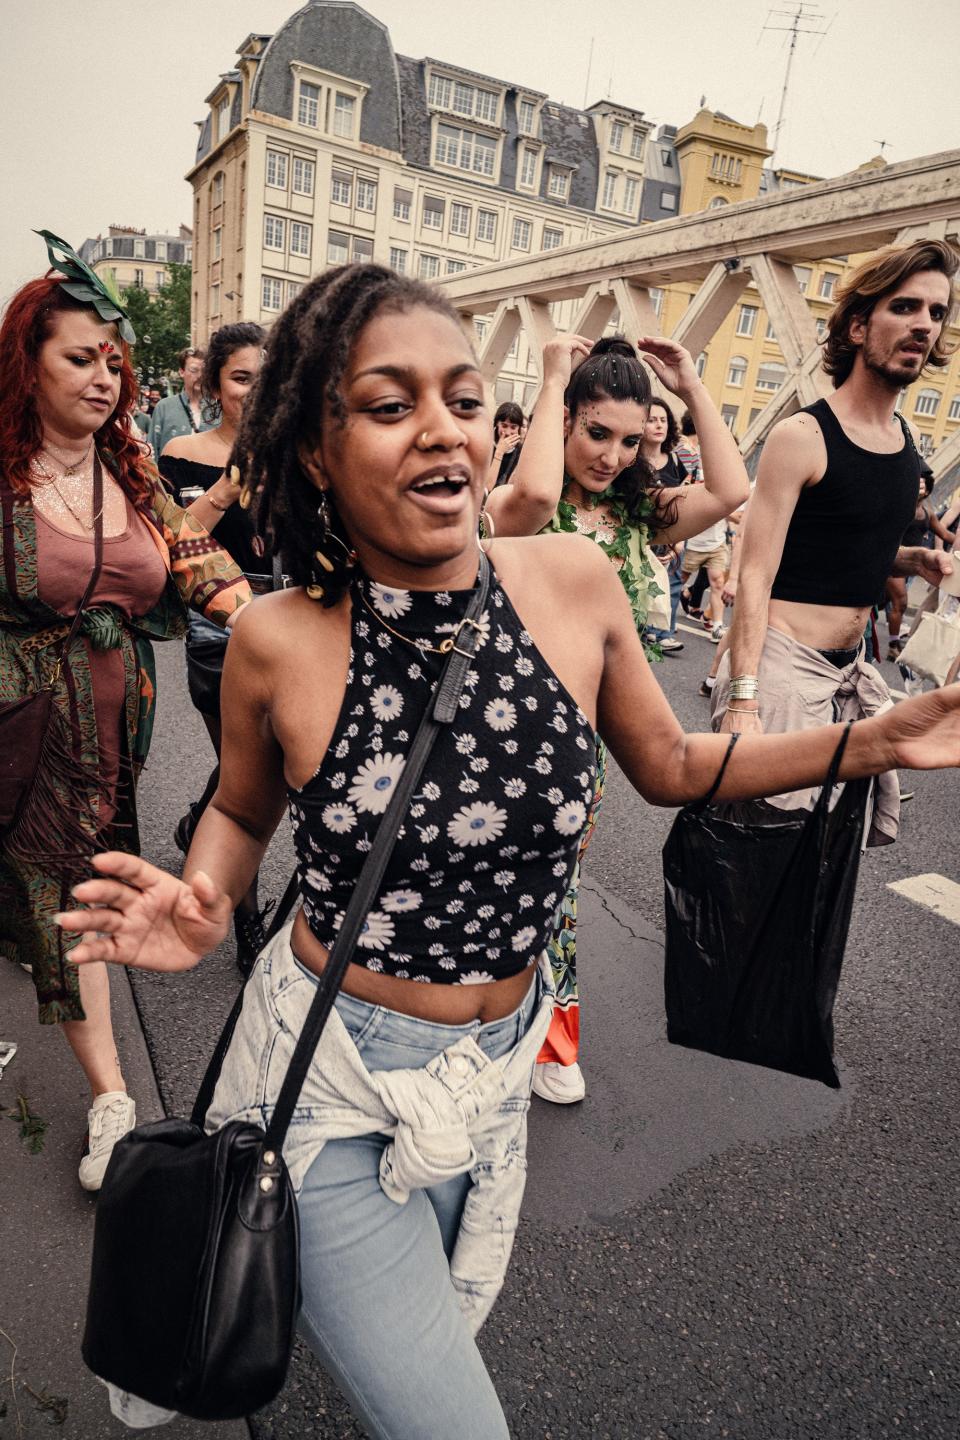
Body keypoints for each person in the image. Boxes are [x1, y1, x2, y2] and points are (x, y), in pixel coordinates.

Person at [57, 263, 960, 1438]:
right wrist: (208, 897)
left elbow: (673, 768)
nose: (443, 429)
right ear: (317, 450)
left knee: (429, 1343)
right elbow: (239, 809)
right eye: (389, 405)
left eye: (465, 398)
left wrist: (876, 737)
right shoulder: (278, 639)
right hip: (333, 1075)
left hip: (491, 1083)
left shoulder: (574, 580)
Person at [0, 236, 252, 1191]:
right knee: (53, 895)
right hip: (12, 730)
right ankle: (113, 1097)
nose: (105, 378)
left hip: (105, 738)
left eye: (115, 361)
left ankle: (109, 1096)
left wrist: (269, 622)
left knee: (67, 895)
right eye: (80, 358)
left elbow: (187, 559)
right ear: (27, 361)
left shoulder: (129, 463)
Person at [483, 332, 751, 1103]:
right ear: (563, 420)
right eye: (596, 432)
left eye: (631, 441)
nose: (612, 455)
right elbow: (535, 494)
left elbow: (731, 491)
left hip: (580, 756)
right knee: (485, 879)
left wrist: (695, 387)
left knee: (553, 888)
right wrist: (552, 375)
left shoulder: (640, 521)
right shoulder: (513, 510)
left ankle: (547, 1036)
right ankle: (472, 1023)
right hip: (492, 737)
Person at [716, 237, 957, 845]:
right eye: (905, 308)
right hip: (780, 673)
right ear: (857, 325)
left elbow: (833, 541)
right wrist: (745, 699)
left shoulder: (904, 442)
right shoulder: (802, 435)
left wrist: (908, 557)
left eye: (936, 312)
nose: (924, 325)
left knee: (819, 868)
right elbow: (756, 573)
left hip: (850, 675)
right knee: (754, 858)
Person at [157, 322, 273, 973]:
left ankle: (199, 819)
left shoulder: (296, 454)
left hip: (285, 619)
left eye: (265, 378)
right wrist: (230, 484)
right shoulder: (183, 450)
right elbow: (170, 540)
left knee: (260, 765)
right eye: (241, 378)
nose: (255, 394)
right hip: (217, 624)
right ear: (214, 383)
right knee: (246, 773)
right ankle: (248, 923)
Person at [635, 396, 690, 654]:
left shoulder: (675, 461)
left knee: (673, 583)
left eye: (663, 420)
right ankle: (643, 630)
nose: (659, 425)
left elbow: (682, 502)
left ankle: (664, 632)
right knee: (641, 582)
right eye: (652, 420)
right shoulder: (632, 459)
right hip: (641, 533)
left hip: (671, 533)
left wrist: (678, 541)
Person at [884, 466, 955, 660]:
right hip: (893, 561)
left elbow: (945, 533)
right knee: (901, 602)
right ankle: (893, 645)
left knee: (890, 603)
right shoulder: (900, 507)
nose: (918, 488)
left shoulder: (927, 513)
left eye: (922, 486)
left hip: (912, 566)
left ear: (928, 491)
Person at [148, 346, 214, 458]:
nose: (200, 376)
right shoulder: (164, 407)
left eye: (204, 371)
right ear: (181, 372)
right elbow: (152, 452)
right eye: (194, 370)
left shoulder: (218, 409)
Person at [486, 399, 524, 487]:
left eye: (513, 427)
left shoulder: (521, 451)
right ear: (496, 424)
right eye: (504, 426)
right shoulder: (486, 445)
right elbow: (487, 487)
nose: (507, 432)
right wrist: (499, 452)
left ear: (519, 428)